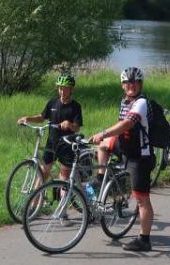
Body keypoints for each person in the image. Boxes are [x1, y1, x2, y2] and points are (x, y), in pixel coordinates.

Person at [89, 67, 157, 252]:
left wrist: (103, 132)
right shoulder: (125, 101)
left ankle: (144, 240)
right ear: (122, 85)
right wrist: (105, 138)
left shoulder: (141, 103)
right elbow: (122, 130)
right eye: (127, 82)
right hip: (126, 147)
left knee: (142, 199)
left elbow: (127, 124)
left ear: (140, 84)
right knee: (102, 145)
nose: (131, 86)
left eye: (134, 82)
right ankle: (101, 177)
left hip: (140, 155)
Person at [17, 73, 83, 183]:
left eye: (65, 89)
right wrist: (27, 118)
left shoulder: (75, 107)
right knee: (43, 174)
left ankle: (64, 198)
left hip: (67, 146)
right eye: (60, 88)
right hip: (52, 143)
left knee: (64, 179)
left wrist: (70, 125)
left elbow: (77, 128)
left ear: (71, 89)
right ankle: (35, 200)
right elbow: (41, 117)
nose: (62, 91)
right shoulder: (53, 103)